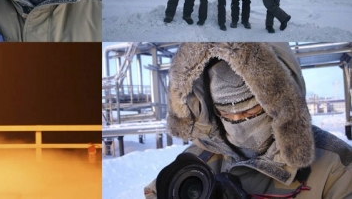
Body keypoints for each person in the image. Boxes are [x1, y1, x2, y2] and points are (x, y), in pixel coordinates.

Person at [144, 43, 352, 199]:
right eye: (225, 113)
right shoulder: (197, 160)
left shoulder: (335, 167)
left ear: (279, 103)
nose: (237, 123)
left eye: (249, 112)